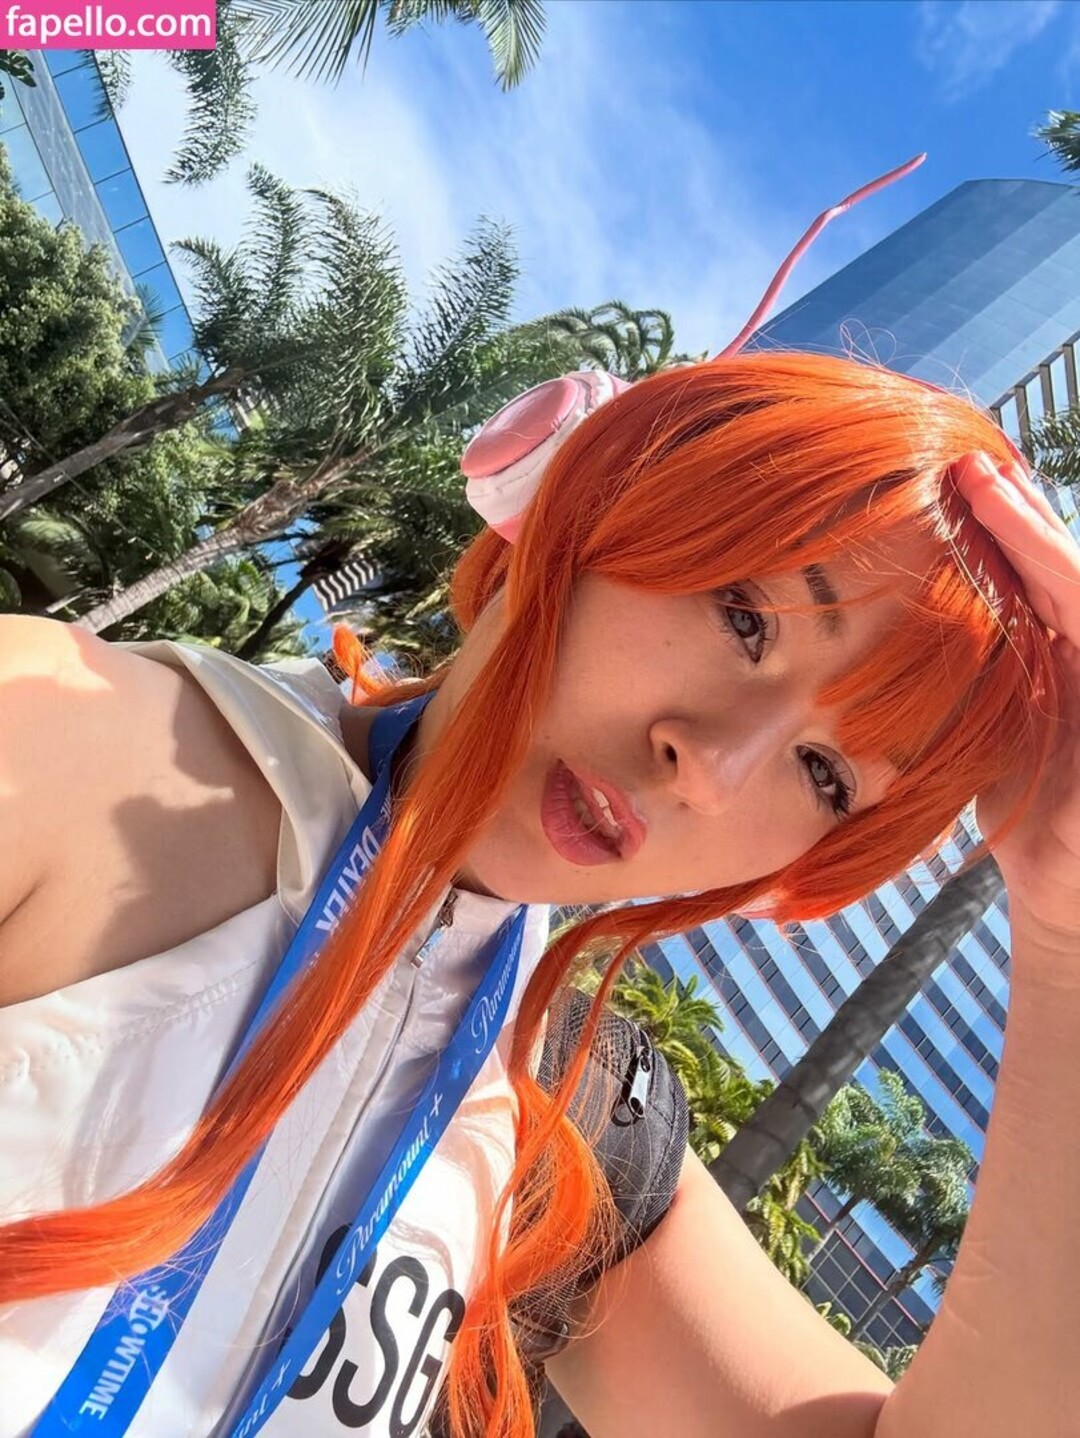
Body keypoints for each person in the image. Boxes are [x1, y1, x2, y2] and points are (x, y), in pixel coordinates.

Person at [3, 166, 1080, 1438]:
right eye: (746, 617)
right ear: (582, 490)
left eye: (827, 775)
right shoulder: (75, 736)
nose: (712, 765)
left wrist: (1065, 936)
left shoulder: (572, 1116)